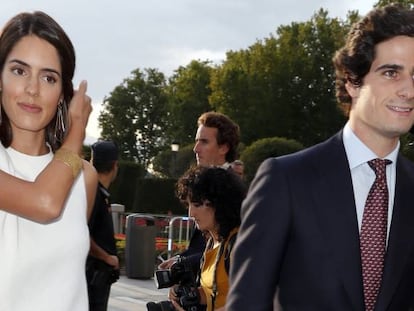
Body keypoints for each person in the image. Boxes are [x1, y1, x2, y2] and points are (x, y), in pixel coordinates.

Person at [226, 4, 414, 311]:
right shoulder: (285, 179)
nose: (408, 89)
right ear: (353, 81)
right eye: (391, 72)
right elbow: (247, 301)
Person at [0, 11, 98, 311]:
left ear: (62, 93)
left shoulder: (84, 177)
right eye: (19, 71)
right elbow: (45, 203)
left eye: (48, 77)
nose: (33, 89)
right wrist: (77, 130)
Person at [159, 111, 240, 271]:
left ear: (223, 147)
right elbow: (203, 247)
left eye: (204, 142)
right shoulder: (206, 184)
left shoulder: (232, 190)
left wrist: (183, 263)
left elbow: (226, 250)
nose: (196, 148)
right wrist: (181, 259)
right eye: (196, 141)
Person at [168, 166, 247, 311]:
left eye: (197, 205)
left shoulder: (238, 244)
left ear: (220, 204)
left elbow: (251, 302)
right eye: (188, 204)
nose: (191, 213)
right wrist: (192, 295)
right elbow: (217, 291)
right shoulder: (212, 241)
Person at [87, 140, 120, 311]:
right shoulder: (94, 194)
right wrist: (107, 257)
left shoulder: (98, 193)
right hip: (94, 274)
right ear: (115, 165)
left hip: (98, 275)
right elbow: (83, 234)